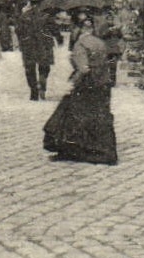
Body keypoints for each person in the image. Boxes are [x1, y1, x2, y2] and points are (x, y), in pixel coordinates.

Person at [42, 17, 118, 165]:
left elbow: (83, 68)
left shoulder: (80, 44)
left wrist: (73, 81)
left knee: (72, 116)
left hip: (86, 85)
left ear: (79, 30)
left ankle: (76, 150)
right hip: (101, 85)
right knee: (98, 117)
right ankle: (101, 150)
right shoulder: (99, 42)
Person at [16, 0, 57, 100]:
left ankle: (33, 91)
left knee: (29, 68)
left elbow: (18, 30)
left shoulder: (24, 16)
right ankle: (42, 82)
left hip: (29, 45)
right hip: (44, 44)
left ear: (30, 4)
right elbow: (54, 29)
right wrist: (57, 38)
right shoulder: (47, 15)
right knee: (44, 66)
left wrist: (22, 40)